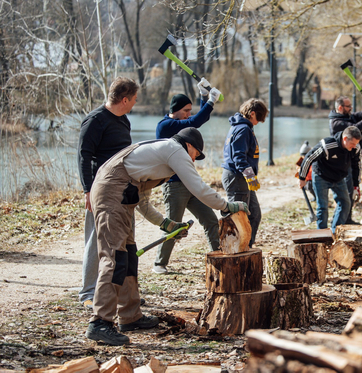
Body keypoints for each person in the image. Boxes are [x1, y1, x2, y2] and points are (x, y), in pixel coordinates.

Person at [85, 127, 248, 346]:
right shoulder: (175, 150)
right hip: (110, 193)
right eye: (196, 155)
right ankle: (99, 323)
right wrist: (227, 205)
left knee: (129, 257)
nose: (194, 160)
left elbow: (142, 201)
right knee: (114, 258)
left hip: (122, 195)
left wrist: (166, 224)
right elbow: (198, 187)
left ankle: (130, 316)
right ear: (190, 146)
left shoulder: (160, 155)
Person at [77, 77, 139, 310]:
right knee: (96, 241)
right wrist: (87, 190)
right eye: (133, 99)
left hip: (122, 191)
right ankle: (87, 293)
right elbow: (84, 156)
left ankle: (122, 293)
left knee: (123, 243)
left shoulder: (123, 121)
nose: (134, 103)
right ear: (124, 99)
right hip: (100, 192)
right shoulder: (95, 121)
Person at [153, 80, 221, 275]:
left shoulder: (178, 122)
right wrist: (210, 102)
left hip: (189, 182)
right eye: (186, 110)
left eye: (191, 110)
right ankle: (159, 263)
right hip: (174, 185)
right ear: (175, 110)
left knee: (210, 219)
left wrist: (203, 97)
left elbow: (195, 122)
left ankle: (217, 256)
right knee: (173, 225)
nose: (188, 114)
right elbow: (194, 122)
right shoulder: (166, 126)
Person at [222, 99, 268, 248]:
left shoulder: (243, 127)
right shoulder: (243, 129)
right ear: (252, 113)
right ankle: (234, 249)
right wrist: (249, 175)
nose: (258, 123)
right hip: (237, 178)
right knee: (238, 218)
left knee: (254, 214)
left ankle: (246, 246)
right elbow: (238, 157)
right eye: (258, 119)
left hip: (243, 179)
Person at [298, 126, 362, 233]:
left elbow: (357, 166)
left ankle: (335, 231)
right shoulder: (327, 145)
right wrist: (302, 178)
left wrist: (356, 185)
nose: (355, 146)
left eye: (356, 143)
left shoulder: (356, 148)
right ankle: (322, 234)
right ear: (345, 138)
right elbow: (309, 158)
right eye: (352, 143)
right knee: (323, 207)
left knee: (346, 203)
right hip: (321, 176)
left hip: (339, 178)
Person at [329, 96, 362, 224]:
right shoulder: (336, 122)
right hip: (343, 160)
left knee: (350, 189)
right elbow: (356, 127)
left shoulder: (346, 116)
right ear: (340, 107)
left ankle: (348, 218)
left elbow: (359, 116)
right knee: (346, 191)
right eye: (348, 106)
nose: (351, 108)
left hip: (352, 157)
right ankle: (342, 220)